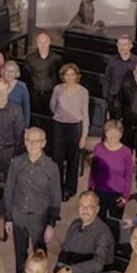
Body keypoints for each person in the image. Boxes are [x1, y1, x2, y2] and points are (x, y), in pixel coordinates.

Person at [4, 128, 61, 273]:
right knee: (20, 254)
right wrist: (8, 218)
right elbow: (9, 190)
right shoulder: (17, 163)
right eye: (29, 140)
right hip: (18, 216)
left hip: (39, 219)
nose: (32, 145)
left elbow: (55, 197)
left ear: (44, 143)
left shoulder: (51, 168)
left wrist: (51, 224)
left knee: (39, 255)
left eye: (37, 141)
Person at [52, 191, 115, 273]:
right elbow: (65, 251)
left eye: (89, 207)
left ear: (97, 209)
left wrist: (68, 270)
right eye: (82, 206)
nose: (84, 210)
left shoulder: (103, 233)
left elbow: (98, 264)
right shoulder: (75, 224)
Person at [50, 63, 90, 200]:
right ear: (63, 76)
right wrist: (61, 115)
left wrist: (84, 136)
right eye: (67, 74)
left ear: (77, 76)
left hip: (75, 127)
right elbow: (52, 106)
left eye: (72, 74)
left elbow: (85, 114)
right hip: (59, 126)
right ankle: (57, 187)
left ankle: (70, 188)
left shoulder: (83, 91)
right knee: (57, 158)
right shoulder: (57, 89)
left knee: (73, 159)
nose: (70, 77)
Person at [89, 120, 134, 223]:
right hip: (99, 191)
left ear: (121, 134)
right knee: (98, 222)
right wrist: (90, 189)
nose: (113, 135)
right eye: (110, 132)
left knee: (115, 223)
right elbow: (93, 170)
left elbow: (128, 176)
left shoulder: (126, 152)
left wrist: (125, 196)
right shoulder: (98, 148)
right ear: (105, 133)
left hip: (117, 194)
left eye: (117, 132)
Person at [25, 31, 62, 118]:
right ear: (37, 44)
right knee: (36, 117)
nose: (43, 45)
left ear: (49, 42)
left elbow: (60, 75)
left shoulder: (57, 58)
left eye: (45, 42)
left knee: (50, 117)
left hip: (51, 94)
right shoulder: (30, 58)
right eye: (40, 42)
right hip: (35, 94)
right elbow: (27, 75)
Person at [103, 35, 137, 109]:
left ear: (130, 46)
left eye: (125, 45)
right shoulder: (112, 60)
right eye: (120, 45)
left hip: (130, 98)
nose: (122, 47)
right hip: (113, 97)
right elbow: (107, 79)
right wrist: (106, 97)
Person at [2, 60, 31, 126]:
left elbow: (26, 108)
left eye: (12, 71)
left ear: (16, 73)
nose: (9, 73)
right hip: (0, 121)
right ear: (3, 71)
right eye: (7, 71)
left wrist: (26, 126)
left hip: (17, 122)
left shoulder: (22, 87)